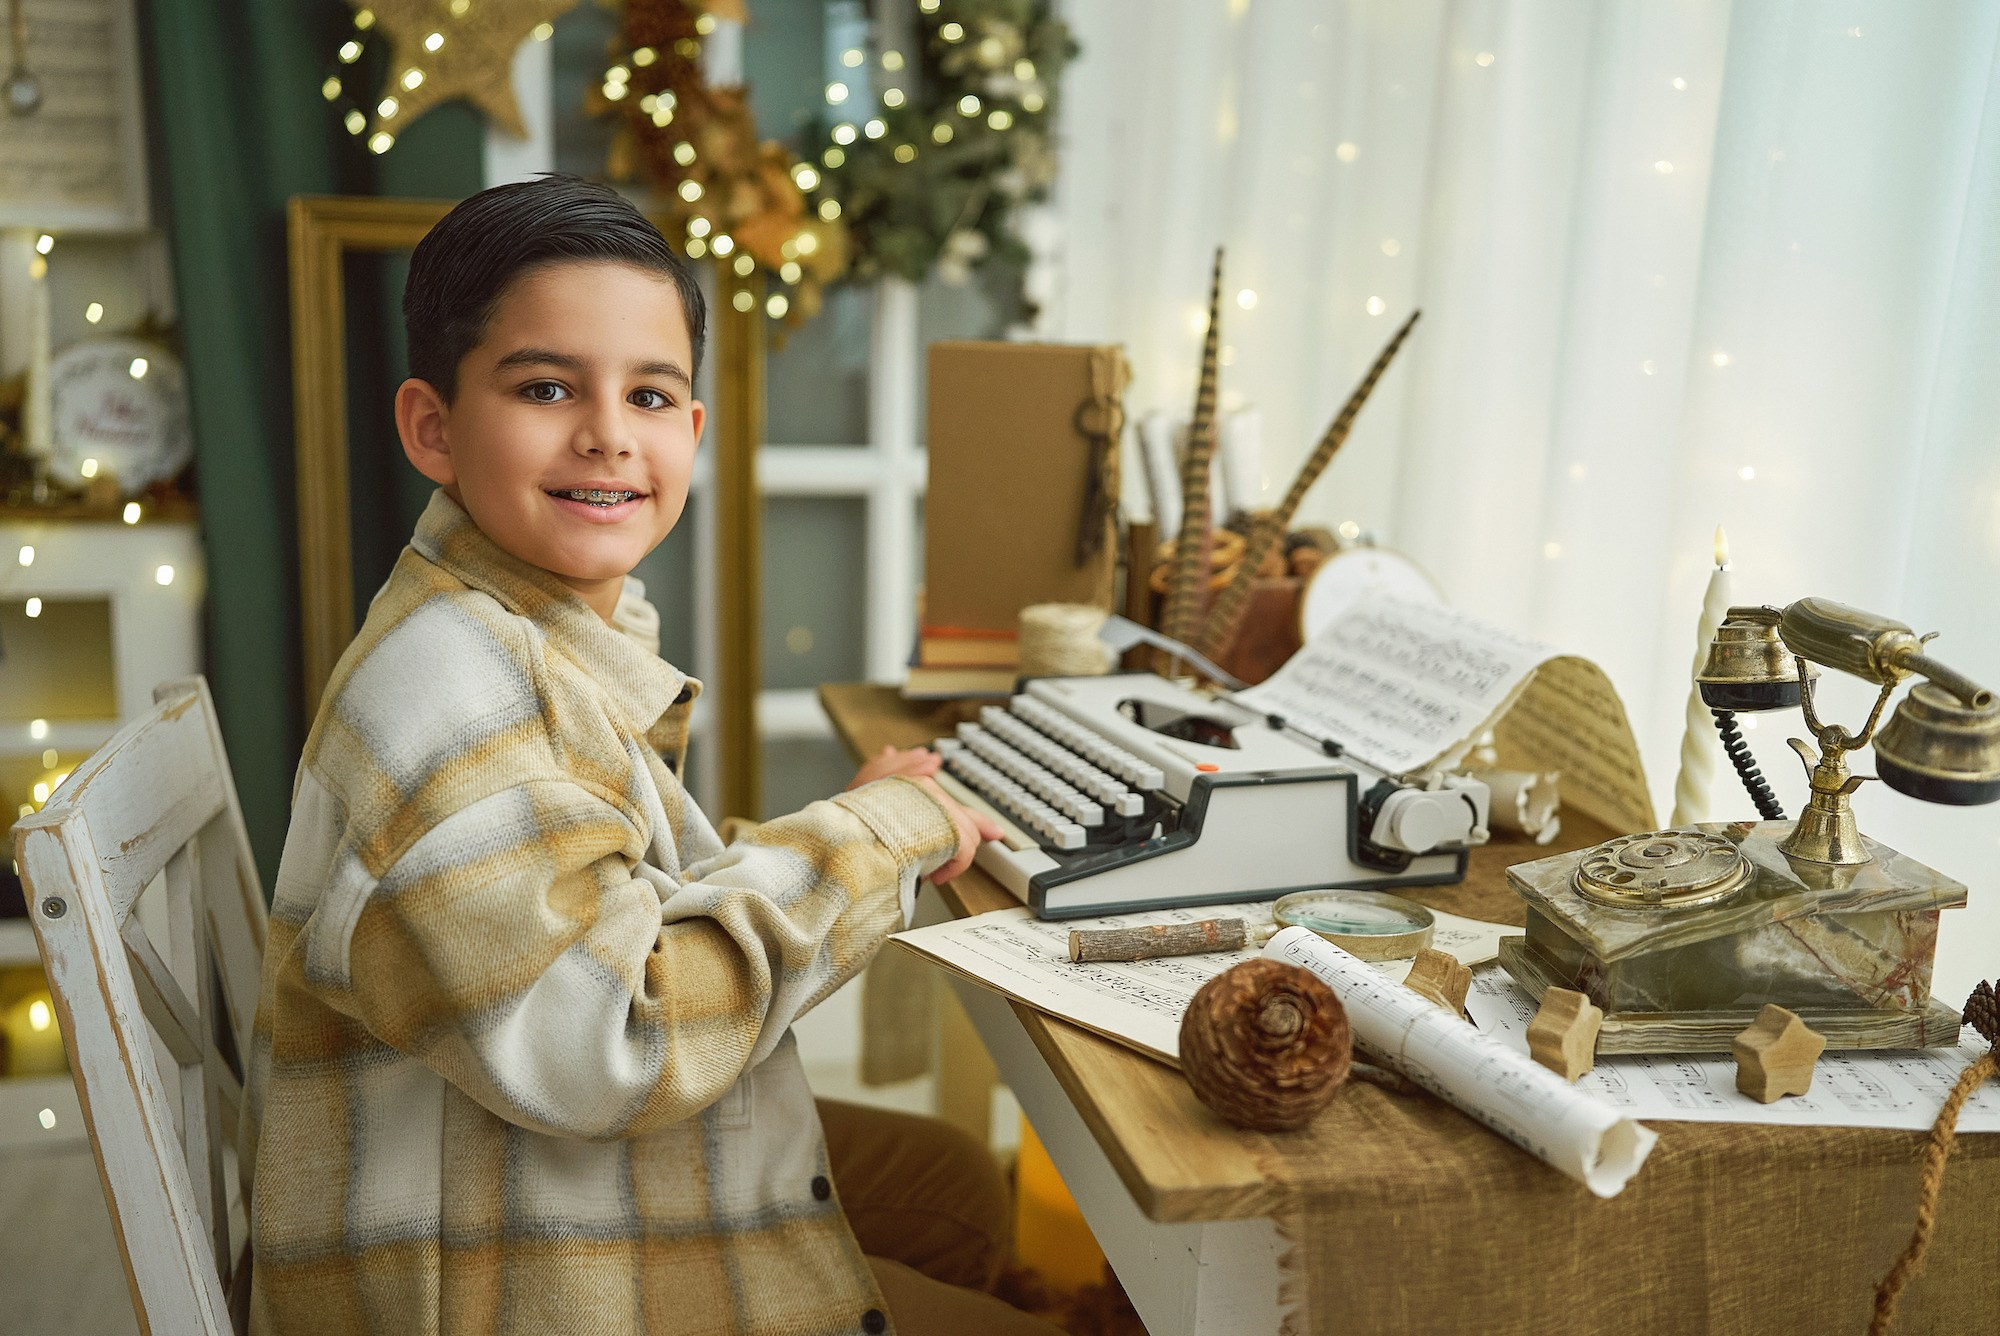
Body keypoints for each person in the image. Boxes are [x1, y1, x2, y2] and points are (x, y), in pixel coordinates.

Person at [243, 174, 1059, 1336]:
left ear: (692, 429)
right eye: (544, 387)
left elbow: (598, 904)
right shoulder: (453, 697)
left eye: (649, 394)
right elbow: (613, 1040)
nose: (607, 435)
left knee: (953, 1187)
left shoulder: (522, 630)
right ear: (432, 425)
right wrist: (872, 841)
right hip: (501, 1262)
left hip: (516, 1162)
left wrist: (841, 825)